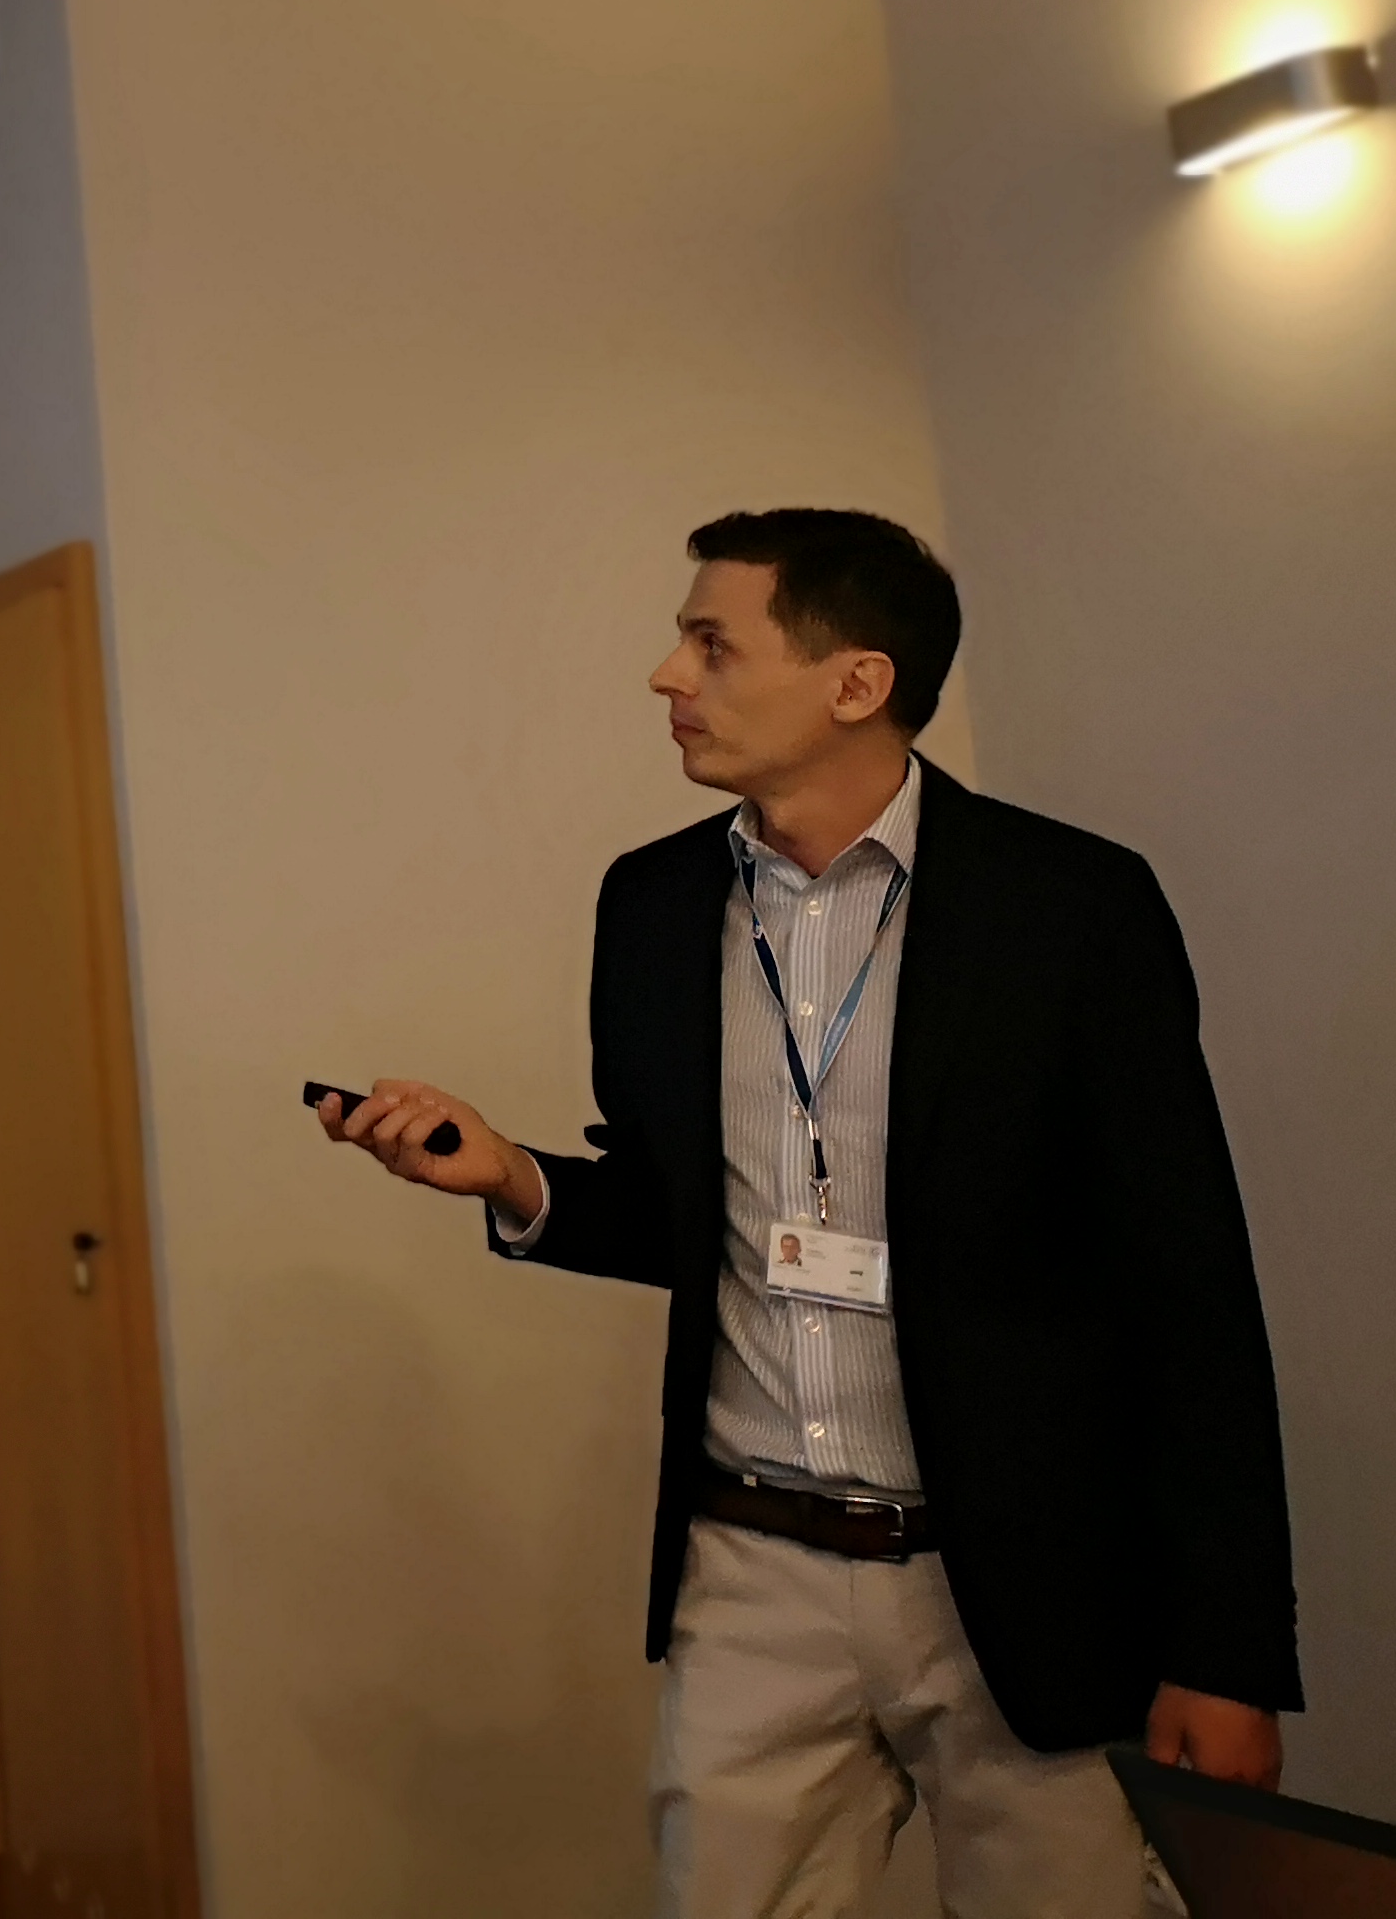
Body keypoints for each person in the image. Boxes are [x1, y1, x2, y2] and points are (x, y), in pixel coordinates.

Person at [322, 508, 1296, 1918]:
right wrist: (516, 1181)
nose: (668, 675)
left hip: (1024, 1577)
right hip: (754, 1567)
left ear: (856, 681)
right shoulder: (653, 904)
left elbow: (1189, 1283)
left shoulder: (1070, 906)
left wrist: (1226, 1649)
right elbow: (682, 1216)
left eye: (712, 644)